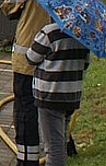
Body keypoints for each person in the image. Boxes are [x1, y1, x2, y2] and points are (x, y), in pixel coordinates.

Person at [1, 0, 65, 166]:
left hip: (28, 61)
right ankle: (63, 149)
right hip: (61, 60)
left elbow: (7, 9)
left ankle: (27, 159)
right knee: (58, 109)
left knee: (26, 108)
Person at [25, 10, 91, 166]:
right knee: (60, 139)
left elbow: (31, 57)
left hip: (50, 95)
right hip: (71, 95)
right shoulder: (82, 35)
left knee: (53, 147)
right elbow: (85, 64)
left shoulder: (50, 32)